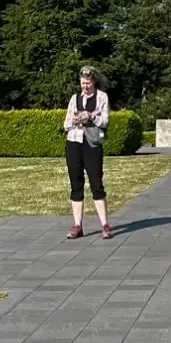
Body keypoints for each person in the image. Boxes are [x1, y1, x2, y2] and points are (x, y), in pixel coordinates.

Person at [64, 67, 113, 239]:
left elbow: (105, 121)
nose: (85, 87)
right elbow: (66, 124)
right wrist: (76, 120)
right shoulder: (74, 99)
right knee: (76, 184)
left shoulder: (101, 97)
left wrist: (91, 117)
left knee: (96, 183)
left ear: (94, 82)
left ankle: (105, 225)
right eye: (83, 83)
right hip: (74, 143)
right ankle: (77, 225)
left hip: (92, 145)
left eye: (88, 83)